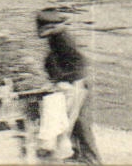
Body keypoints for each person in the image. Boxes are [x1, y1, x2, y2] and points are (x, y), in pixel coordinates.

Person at [38, 9, 100, 163]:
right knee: (75, 122)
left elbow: (78, 63)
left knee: (81, 123)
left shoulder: (63, 39)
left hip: (79, 81)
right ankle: (79, 153)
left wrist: (67, 81)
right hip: (75, 81)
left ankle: (92, 160)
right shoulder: (56, 37)